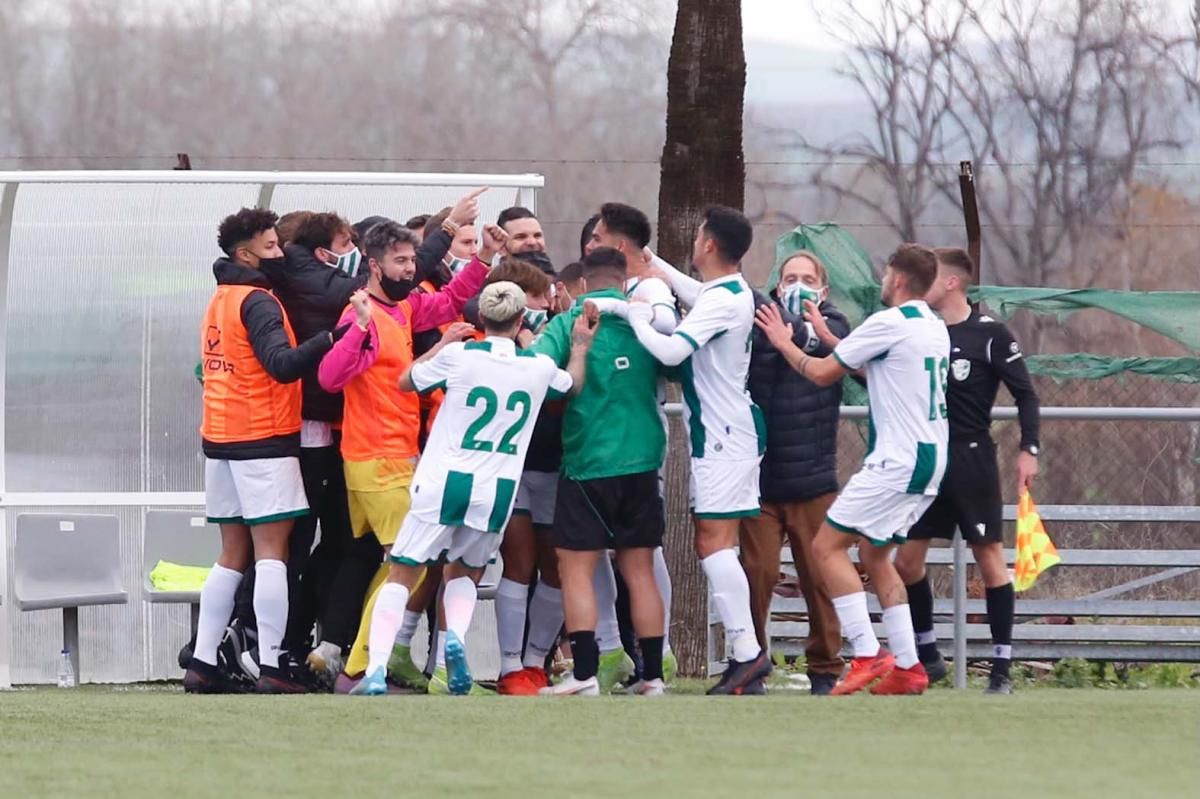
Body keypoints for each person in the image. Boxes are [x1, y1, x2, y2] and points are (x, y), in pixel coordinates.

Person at [352, 281, 595, 696]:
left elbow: (407, 380)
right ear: (521, 320)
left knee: (403, 571)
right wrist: (579, 346)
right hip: (496, 489)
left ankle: (375, 668)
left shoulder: (460, 355)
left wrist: (441, 343)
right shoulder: (535, 366)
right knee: (465, 570)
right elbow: (571, 385)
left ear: (480, 319)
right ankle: (456, 642)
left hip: (443, 481)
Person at [755, 242, 949, 696]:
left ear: (898, 279)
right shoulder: (932, 327)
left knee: (826, 548)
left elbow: (824, 373)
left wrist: (786, 344)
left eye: (886, 273)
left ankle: (866, 652)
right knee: (876, 556)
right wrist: (828, 335)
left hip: (896, 460)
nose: (881, 280)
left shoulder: (888, 322)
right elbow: (874, 364)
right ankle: (907, 665)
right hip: (931, 459)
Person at [311, 220, 498, 686]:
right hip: (374, 459)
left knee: (402, 565)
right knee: (410, 566)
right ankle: (358, 666)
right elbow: (329, 377)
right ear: (374, 266)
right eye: (400, 261)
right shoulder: (364, 314)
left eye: (413, 260)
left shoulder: (404, 307)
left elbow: (450, 300)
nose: (410, 268)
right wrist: (355, 330)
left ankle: (359, 658)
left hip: (397, 455)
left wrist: (485, 260)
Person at [621, 206, 772, 695]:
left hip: (726, 434)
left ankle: (747, 654)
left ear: (709, 245)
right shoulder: (726, 291)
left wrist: (632, 313)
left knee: (713, 541)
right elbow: (694, 293)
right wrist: (653, 262)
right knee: (715, 540)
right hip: (727, 431)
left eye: (699, 234)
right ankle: (746, 654)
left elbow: (670, 352)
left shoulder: (725, 301)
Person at [185, 208, 335, 694]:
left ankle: (204, 661)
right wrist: (331, 338)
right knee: (273, 552)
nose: (280, 255)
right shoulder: (260, 301)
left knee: (231, 554)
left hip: (222, 438)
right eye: (271, 247)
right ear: (245, 253)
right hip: (263, 440)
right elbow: (283, 365)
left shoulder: (220, 297)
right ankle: (273, 663)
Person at [894, 247, 1040, 695]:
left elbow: (1026, 395)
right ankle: (928, 653)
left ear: (952, 282)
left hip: (972, 460)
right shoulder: (923, 332)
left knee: (990, 560)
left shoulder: (991, 335)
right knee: (906, 561)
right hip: (928, 458)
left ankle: (1000, 670)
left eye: (932, 277)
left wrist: (1028, 448)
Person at [530, 247, 670, 697]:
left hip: (588, 462)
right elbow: (678, 364)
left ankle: (585, 674)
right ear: (626, 283)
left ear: (584, 285)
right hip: (644, 461)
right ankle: (653, 677)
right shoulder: (643, 325)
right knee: (641, 570)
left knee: (576, 569)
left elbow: (536, 369)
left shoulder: (567, 324)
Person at [741, 251, 849, 695]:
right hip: (761, 480)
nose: (798, 284)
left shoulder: (834, 327)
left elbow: (826, 346)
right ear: (777, 283)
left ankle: (825, 667)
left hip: (813, 480)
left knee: (819, 579)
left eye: (807, 278)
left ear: (822, 290)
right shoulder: (758, 321)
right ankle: (750, 663)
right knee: (756, 573)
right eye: (790, 277)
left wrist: (794, 328)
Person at [585, 202, 679, 686]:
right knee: (591, 551)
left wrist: (627, 310)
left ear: (618, 246)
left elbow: (664, 325)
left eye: (597, 236)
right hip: (593, 439)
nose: (589, 244)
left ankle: (656, 652)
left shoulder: (650, 288)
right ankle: (609, 648)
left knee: (640, 552)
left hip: (636, 440)